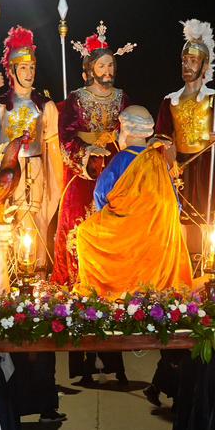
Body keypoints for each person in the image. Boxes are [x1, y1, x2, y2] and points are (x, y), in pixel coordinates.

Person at [0, 26, 64, 271]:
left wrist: (56, 183)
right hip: (7, 170)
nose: (29, 73)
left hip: (34, 171)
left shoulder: (45, 107)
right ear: (12, 70)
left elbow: (53, 152)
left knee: (32, 224)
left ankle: (33, 273)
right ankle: (4, 274)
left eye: (32, 68)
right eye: (23, 68)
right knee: (5, 223)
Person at [75, 105, 193, 298]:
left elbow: (100, 194)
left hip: (125, 235)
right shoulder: (157, 160)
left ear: (126, 129)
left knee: (84, 233)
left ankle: (109, 291)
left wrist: (116, 219)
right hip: (159, 237)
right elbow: (175, 202)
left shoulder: (121, 159)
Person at [53, 23, 134, 284]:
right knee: (79, 224)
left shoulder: (123, 98)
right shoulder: (76, 99)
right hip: (84, 171)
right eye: (102, 66)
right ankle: (78, 281)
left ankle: (113, 280)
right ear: (90, 70)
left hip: (114, 167)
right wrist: (87, 153)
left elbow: (131, 130)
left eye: (111, 65)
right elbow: (65, 137)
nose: (107, 71)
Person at [153, 18, 215, 224]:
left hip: (208, 164)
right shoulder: (170, 101)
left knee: (210, 219)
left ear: (204, 65)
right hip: (181, 165)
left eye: (192, 61)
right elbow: (161, 138)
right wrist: (170, 160)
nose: (186, 65)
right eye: (184, 61)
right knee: (179, 219)